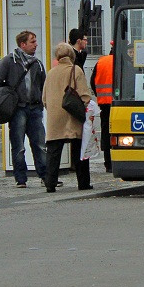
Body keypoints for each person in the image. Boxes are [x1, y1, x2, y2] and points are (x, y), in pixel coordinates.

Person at [0, 30, 49, 188]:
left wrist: (44, 103)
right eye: (32, 42)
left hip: (34, 108)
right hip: (17, 109)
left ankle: (46, 176)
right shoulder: (9, 61)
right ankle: (21, 178)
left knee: (39, 144)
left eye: (35, 41)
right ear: (23, 44)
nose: (36, 44)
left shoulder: (37, 63)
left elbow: (44, 86)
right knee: (18, 146)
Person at [43, 42, 94, 192]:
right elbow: (84, 95)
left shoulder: (51, 73)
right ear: (71, 55)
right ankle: (83, 183)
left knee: (53, 151)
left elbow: (44, 98)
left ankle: (50, 183)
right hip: (72, 116)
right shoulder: (75, 70)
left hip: (55, 117)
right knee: (79, 149)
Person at [90, 44, 114, 172]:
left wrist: (99, 94)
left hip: (104, 103)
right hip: (119, 103)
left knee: (106, 132)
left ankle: (108, 162)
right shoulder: (122, 62)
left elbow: (92, 81)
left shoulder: (101, 62)